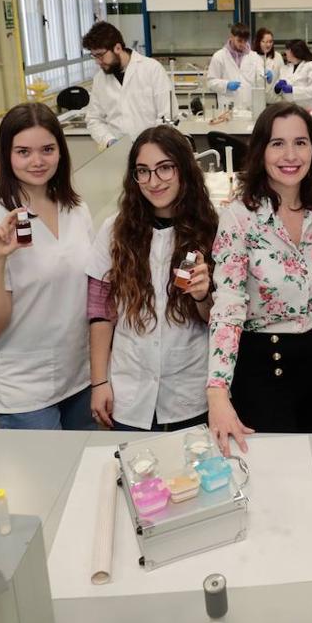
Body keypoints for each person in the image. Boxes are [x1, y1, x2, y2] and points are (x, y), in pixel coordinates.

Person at [207, 103, 312, 453]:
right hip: (262, 367)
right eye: (277, 144)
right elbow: (227, 307)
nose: (291, 155)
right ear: (260, 151)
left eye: (301, 143)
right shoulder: (239, 218)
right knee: (269, 474)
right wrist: (217, 393)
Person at [0, 103, 95, 430]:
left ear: (61, 152)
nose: (37, 161)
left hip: (80, 375)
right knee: (44, 479)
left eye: (47, 149)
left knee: (85, 471)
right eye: (23, 152)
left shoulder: (76, 210)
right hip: (26, 389)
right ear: (6, 156)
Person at [87, 126, 215, 431]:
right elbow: (99, 313)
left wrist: (201, 296)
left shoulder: (211, 230)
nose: (153, 182)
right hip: (128, 391)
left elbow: (219, 319)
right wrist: (99, 382)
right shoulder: (114, 230)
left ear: (184, 169)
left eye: (165, 168)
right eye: (142, 171)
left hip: (189, 393)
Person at [82, 21, 172, 148]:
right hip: (117, 153)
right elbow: (94, 119)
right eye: (94, 56)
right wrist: (109, 141)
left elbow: (167, 115)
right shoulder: (100, 79)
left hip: (153, 149)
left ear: (117, 48)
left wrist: (152, 144)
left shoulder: (151, 69)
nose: (97, 62)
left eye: (100, 55)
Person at [207, 22, 264, 112]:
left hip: (248, 108)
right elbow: (210, 82)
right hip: (227, 109)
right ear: (232, 37)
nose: (243, 44)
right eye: (239, 41)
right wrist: (226, 85)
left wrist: (266, 75)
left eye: (245, 41)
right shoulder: (219, 56)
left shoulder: (254, 56)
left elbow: (260, 78)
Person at [272, 39, 312, 107]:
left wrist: (293, 90)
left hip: (308, 108)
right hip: (289, 107)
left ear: (295, 52)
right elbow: (279, 92)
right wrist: (277, 88)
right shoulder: (285, 68)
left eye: (288, 50)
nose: (286, 52)